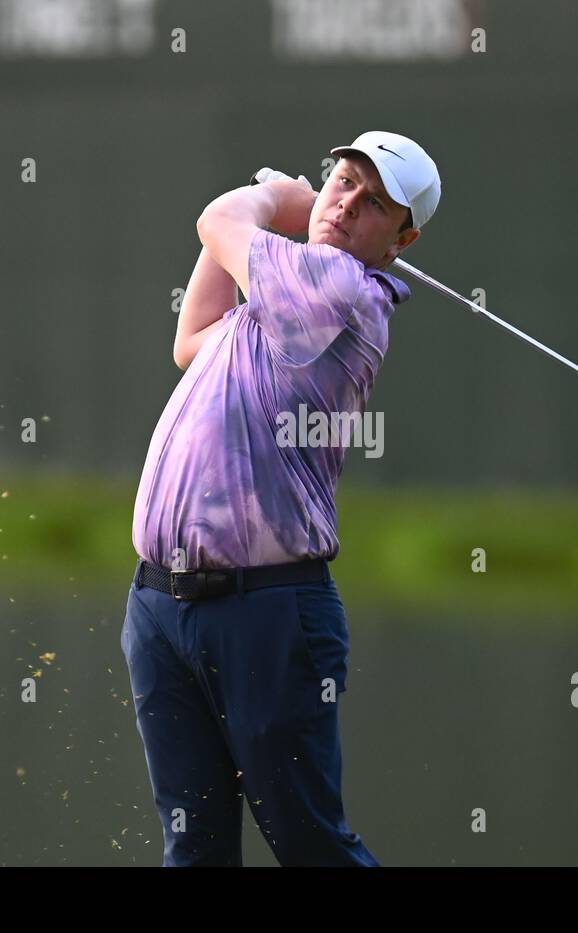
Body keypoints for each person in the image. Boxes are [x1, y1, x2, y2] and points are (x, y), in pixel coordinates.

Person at [120, 131, 440, 865]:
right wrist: (275, 219)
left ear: (402, 239)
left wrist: (278, 201)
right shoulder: (280, 306)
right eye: (342, 180)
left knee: (310, 845)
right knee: (192, 849)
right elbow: (194, 336)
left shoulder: (344, 291)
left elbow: (217, 222)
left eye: (374, 202)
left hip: (267, 612)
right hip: (161, 608)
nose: (347, 202)